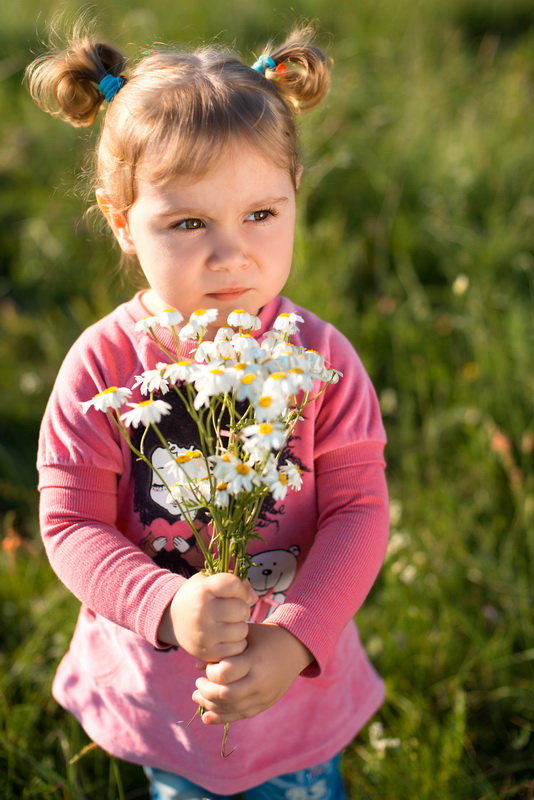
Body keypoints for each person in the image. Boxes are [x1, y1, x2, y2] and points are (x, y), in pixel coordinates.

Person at [27, 22, 390, 800]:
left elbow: (359, 511)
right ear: (123, 223)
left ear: (295, 195)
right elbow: (71, 524)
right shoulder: (105, 367)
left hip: (293, 688)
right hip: (165, 690)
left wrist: (296, 640)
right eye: (189, 224)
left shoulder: (320, 364)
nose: (232, 255)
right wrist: (165, 603)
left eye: (261, 214)